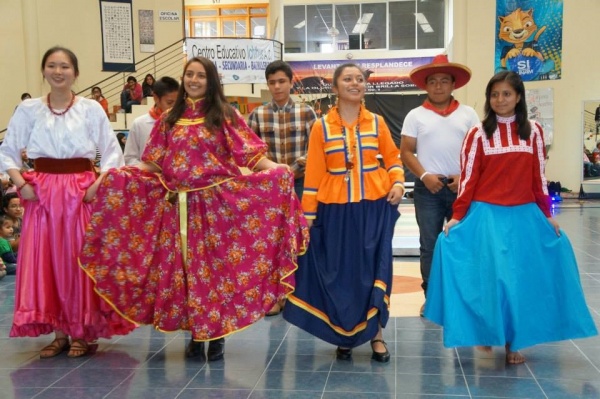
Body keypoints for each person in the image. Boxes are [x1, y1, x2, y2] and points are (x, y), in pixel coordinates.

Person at [79, 56, 309, 362]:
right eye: (190, 74)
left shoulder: (224, 114)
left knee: (215, 273)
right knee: (185, 273)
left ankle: (216, 335)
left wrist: (276, 168)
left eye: (201, 75)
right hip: (178, 207)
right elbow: (152, 162)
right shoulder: (170, 118)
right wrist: (115, 177)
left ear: (210, 80)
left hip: (216, 208)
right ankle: (194, 333)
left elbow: (250, 155)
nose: (194, 80)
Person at [424, 71, 598, 364]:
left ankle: (513, 343)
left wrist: (547, 215)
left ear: (518, 97)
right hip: (487, 217)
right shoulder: (477, 134)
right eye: (494, 94)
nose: (500, 100)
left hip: (524, 218)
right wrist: (457, 216)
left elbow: (538, 178)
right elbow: (468, 179)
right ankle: (487, 333)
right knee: (495, 281)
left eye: (506, 94)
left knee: (519, 281)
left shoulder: (535, 132)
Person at [0, 46, 136, 359]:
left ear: (75, 72)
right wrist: (22, 183)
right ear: (44, 71)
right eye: (51, 66)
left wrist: (97, 185)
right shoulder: (29, 109)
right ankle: (60, 333)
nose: (58, 72)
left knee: (79, 261)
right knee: (46, 262)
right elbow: (7, 151)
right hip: (42, 193)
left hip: (80, 191)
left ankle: (83, 332)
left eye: (64, 66)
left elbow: (112, 152)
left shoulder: (90, 109)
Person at [283, 63, 404, 363]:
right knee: (341, 275)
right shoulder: (320, 127)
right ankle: (344, 333)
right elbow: (313, 174)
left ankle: (377, 335)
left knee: (374, 270)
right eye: (347, 79)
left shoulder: (377, 122)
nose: (355, 83)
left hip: (374, 208)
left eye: (359, 79)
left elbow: (392, 157)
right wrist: (308, 217)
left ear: (365, 86)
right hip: (334, 211)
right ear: (335, 88)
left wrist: (398, 182)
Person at [400, 54, 479, 316]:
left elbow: (478, 151)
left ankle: (463, 297)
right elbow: (407, 152)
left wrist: (464, 178)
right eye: (433, 81)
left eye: (444, 81)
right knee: (429, 245)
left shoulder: (469, 114)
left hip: (462, 189)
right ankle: (431, 298)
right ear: (426, 85)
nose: (438, 86)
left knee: (463, 243)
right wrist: (425, 177)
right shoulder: (415, 115)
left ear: (453, 84)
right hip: (428, 190)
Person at [247, 60, 317, 316]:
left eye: (282, 81)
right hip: (268, 190)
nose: (277, 86)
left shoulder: (307, 112)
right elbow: (250, 153)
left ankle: (299, 296)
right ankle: (274, 296)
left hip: (301, 185)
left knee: (301, 238)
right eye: (272, 82)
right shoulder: (256, 115)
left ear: (291, 82)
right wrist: (274, 173)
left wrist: (292, 171)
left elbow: (315, 151)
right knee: (271, 241)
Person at [124, 76, 179, 165]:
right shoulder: (139, 124)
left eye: (177, 103)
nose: (174, 108)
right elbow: (129, 158)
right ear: (156, 98)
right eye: (169, 103)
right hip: (147, 177)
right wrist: (148, 171)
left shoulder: (182, 123)